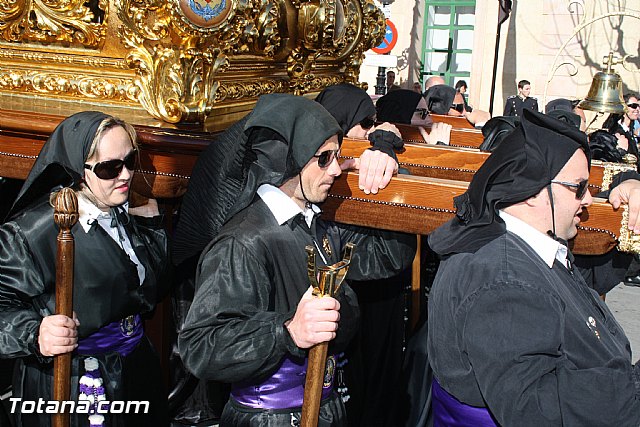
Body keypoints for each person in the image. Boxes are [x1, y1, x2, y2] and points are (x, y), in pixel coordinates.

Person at [177, 94, 416, 426]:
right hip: (271, 418)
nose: (335, 168)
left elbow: (387, 257)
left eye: (338, 156)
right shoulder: (243, 242)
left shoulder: (313, 221)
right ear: (286, 159)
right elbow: (200, 347)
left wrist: (387, 175)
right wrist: (287, 332)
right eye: (323, 159)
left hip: (325, 405)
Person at [426, 109, 640, 426]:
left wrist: (628, 183)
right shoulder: (505, 280)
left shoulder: (517, 243)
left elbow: (574, 290)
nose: (589, 201)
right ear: (531, 189)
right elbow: (535, 407)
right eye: (579, 187)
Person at [0, 112, 170, 426]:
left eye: (130, 161)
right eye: (109, 168)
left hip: (134, 369)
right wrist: (35, 332)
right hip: (76, 381)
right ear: (80, 170)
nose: (125, 175)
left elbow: (149, 293)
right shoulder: (33, 231)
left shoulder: (124, 208)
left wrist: (151, 225)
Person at [315, 83, 413, 426]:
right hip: (344, 304)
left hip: (376, 299)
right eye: (365, 123)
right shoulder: (319, 170)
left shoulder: (365, 161)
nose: (371, 130)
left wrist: (382, 149)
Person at [603, 92, 640, 160]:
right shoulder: (615, 130)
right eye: (634, 106)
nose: (637, 109)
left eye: (639, 106)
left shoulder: (631, 129)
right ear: (624, 108)